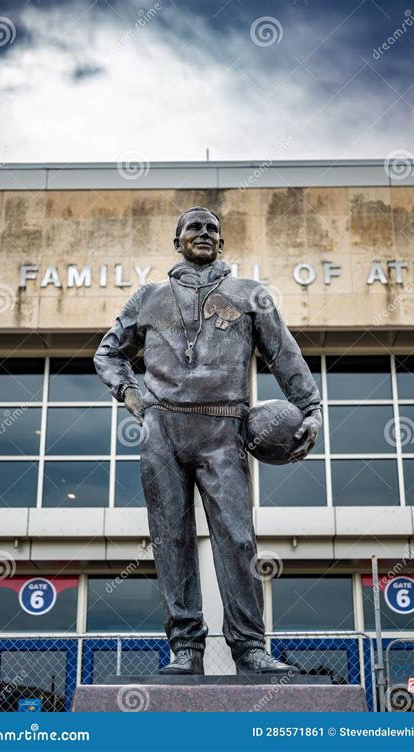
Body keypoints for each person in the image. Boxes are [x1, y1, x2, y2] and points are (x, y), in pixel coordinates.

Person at [94, 207, 321, 675]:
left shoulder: (249, 294)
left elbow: (284, 354)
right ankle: (186, 649)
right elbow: (108, 353)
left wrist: (311, 407)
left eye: (211, 229)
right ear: (177, 241)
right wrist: (132, 395)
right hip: (163, 431)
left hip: (224, 429)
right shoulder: (148, 297)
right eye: (193, 228)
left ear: (222, 243)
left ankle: (250, 648)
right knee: (171, 541)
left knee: (237, 540)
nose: (203, 233)